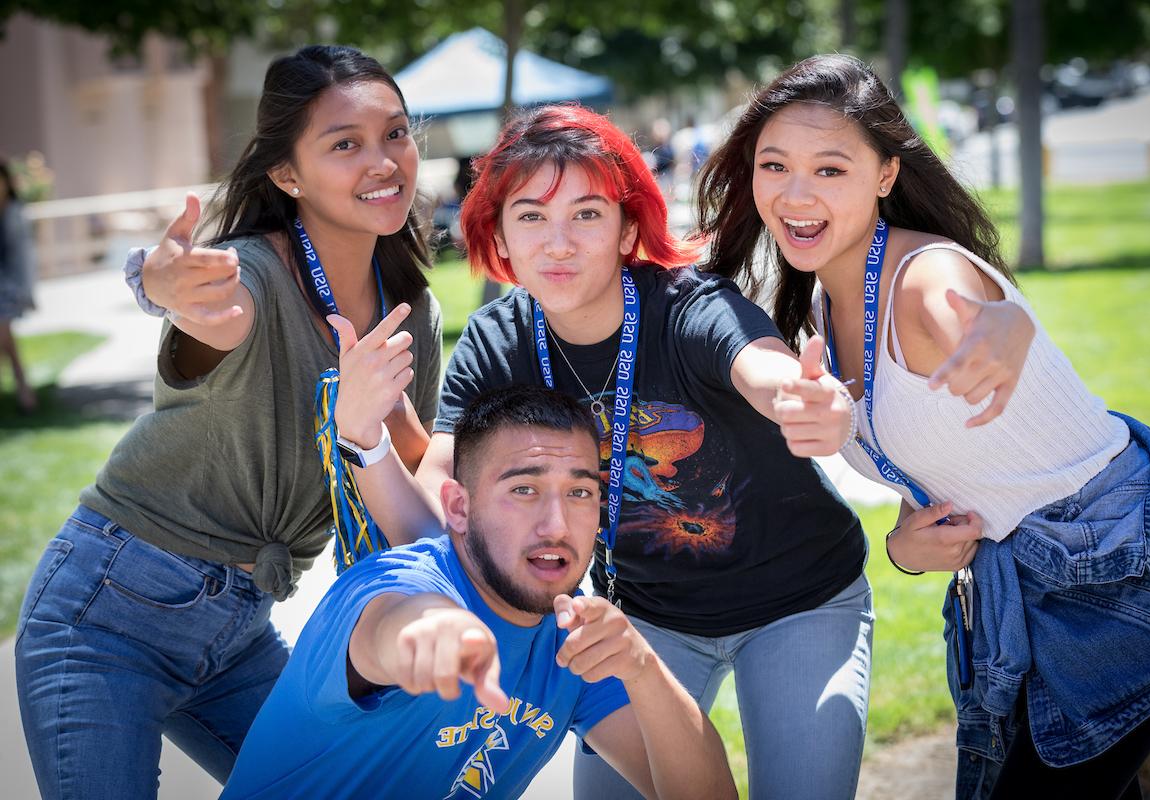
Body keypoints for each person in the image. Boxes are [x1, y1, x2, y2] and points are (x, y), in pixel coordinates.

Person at [340, 104, 1031, 799]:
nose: (558, 244)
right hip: (643, 615)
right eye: (530, 217)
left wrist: (801, 397)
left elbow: (757, 363)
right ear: (501, 237)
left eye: (585, 215)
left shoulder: (687, 304)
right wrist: (364, 439)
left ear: (627, 228)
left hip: (799, 602)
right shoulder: (496, 343)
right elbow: (438, 516)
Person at [696, 53, 1150, 799]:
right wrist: (903, 546)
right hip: (1020, 592)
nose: (796, 194)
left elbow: (966, 305)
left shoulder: (923, 276)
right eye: (775, 165)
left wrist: (1002, 326)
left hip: (1122, 571)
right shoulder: (822, 305)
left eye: (831, 170)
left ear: (886, 176)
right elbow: (934, 464)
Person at [15, 45, 442, 799]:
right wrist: (160, 283)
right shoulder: (248, 278)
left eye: (397, 134)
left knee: (357, 789)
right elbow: (203, 303)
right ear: (286, 174)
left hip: (237, 633)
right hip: (107, 615)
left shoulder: (415, 310)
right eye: (345, 144)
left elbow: (410, 489)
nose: (383, 162)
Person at [220, 385, 737, 800]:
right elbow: (397, 622)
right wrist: (439, 634)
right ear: (459, 509)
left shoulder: (571, 640)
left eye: (579, 493)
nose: (556, 524)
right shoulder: (397, 583)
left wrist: (642, 669)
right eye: (524, 490)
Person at [0, 158, 38, 414]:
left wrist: (25, 293)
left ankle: (23, 390)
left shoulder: (14, 213)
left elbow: (24, 257)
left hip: (9, 286)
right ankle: (23, 390)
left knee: (4, 336)